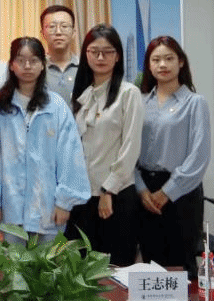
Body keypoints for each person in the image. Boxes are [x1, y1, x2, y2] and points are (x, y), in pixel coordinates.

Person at [0, 37, 89, 243]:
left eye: (34, 60)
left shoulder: (56, 106)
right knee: (9, 263)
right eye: (21, 60)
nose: (27, 66)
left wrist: (64, 202)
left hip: (48, 208)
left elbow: (70, 155)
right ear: (11, 65)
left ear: (43, 65)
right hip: (8, 209)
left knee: (47, 263)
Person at [68, 24, 144, 266]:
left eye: (108, 51)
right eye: (94, 51)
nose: (100, 57)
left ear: (117, 56)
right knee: (81, 271)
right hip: (82, 196)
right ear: (85, 54)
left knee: (115, 270)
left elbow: (130, 147)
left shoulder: (128, 93)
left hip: (115, 196)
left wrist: (108, 190)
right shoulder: (82, 95)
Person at [136, 36, 210, 277]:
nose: (162, 65)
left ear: (181, 62)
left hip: (181, 193)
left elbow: (199, 156)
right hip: (145, 192)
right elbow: (128, 150)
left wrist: (167, 192)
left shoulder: (195, 103)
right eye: (156, 59)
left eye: (169, 58)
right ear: (149, 65)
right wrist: (142, 190)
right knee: (150, 268)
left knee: (181, 268)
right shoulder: (140, 102)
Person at [40, 5, 79, 103]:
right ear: (43, 33)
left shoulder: (86, 67)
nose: (58, 32)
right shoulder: (36, 69)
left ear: (73, 33)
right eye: (52, 26)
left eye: (64, 26)